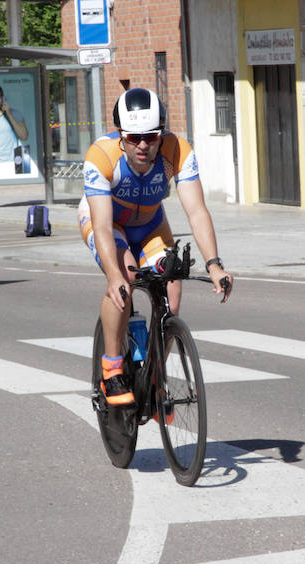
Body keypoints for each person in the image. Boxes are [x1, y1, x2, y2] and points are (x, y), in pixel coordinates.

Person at [78, 87, 233, 405]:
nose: (144, 145)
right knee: (125, 279)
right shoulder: (102, 155)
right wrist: (114, 276)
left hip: (150, 225)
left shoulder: (177, 150)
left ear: (161, 132)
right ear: (121, 133)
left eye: (151, 136)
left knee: (172, 290)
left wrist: (214, 264)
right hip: (108, 224)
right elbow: (104, 226)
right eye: (134, 137)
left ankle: (155, 377)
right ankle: (112, 369)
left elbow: (196, 211)